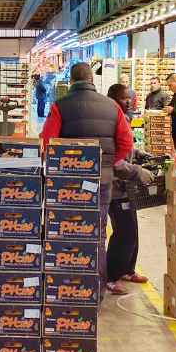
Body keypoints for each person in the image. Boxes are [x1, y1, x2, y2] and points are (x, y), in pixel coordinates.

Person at [41, 63, 134, 299]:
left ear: (72, 80)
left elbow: (47, 142)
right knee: (98, 233)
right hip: (102, 182)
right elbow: (126, 143)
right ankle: (97, 289)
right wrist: (107, 164)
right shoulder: (112, 106)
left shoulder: (59, 106)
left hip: (67, 181)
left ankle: (64, 286)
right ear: (92, 79)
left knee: (66, 231)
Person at [105, 83, 156, 294]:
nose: (129, 101)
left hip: (126, 187)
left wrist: (139, 154)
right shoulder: (111, 120)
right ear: (114, 98)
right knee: (123, 233)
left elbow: (125, 148)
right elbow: (115, 159)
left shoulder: (123, 118)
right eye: (125, 98)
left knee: (132, 231)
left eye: (129, 98)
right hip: (116, 187)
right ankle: (111, 276)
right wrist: (136, 170)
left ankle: (127, 269)